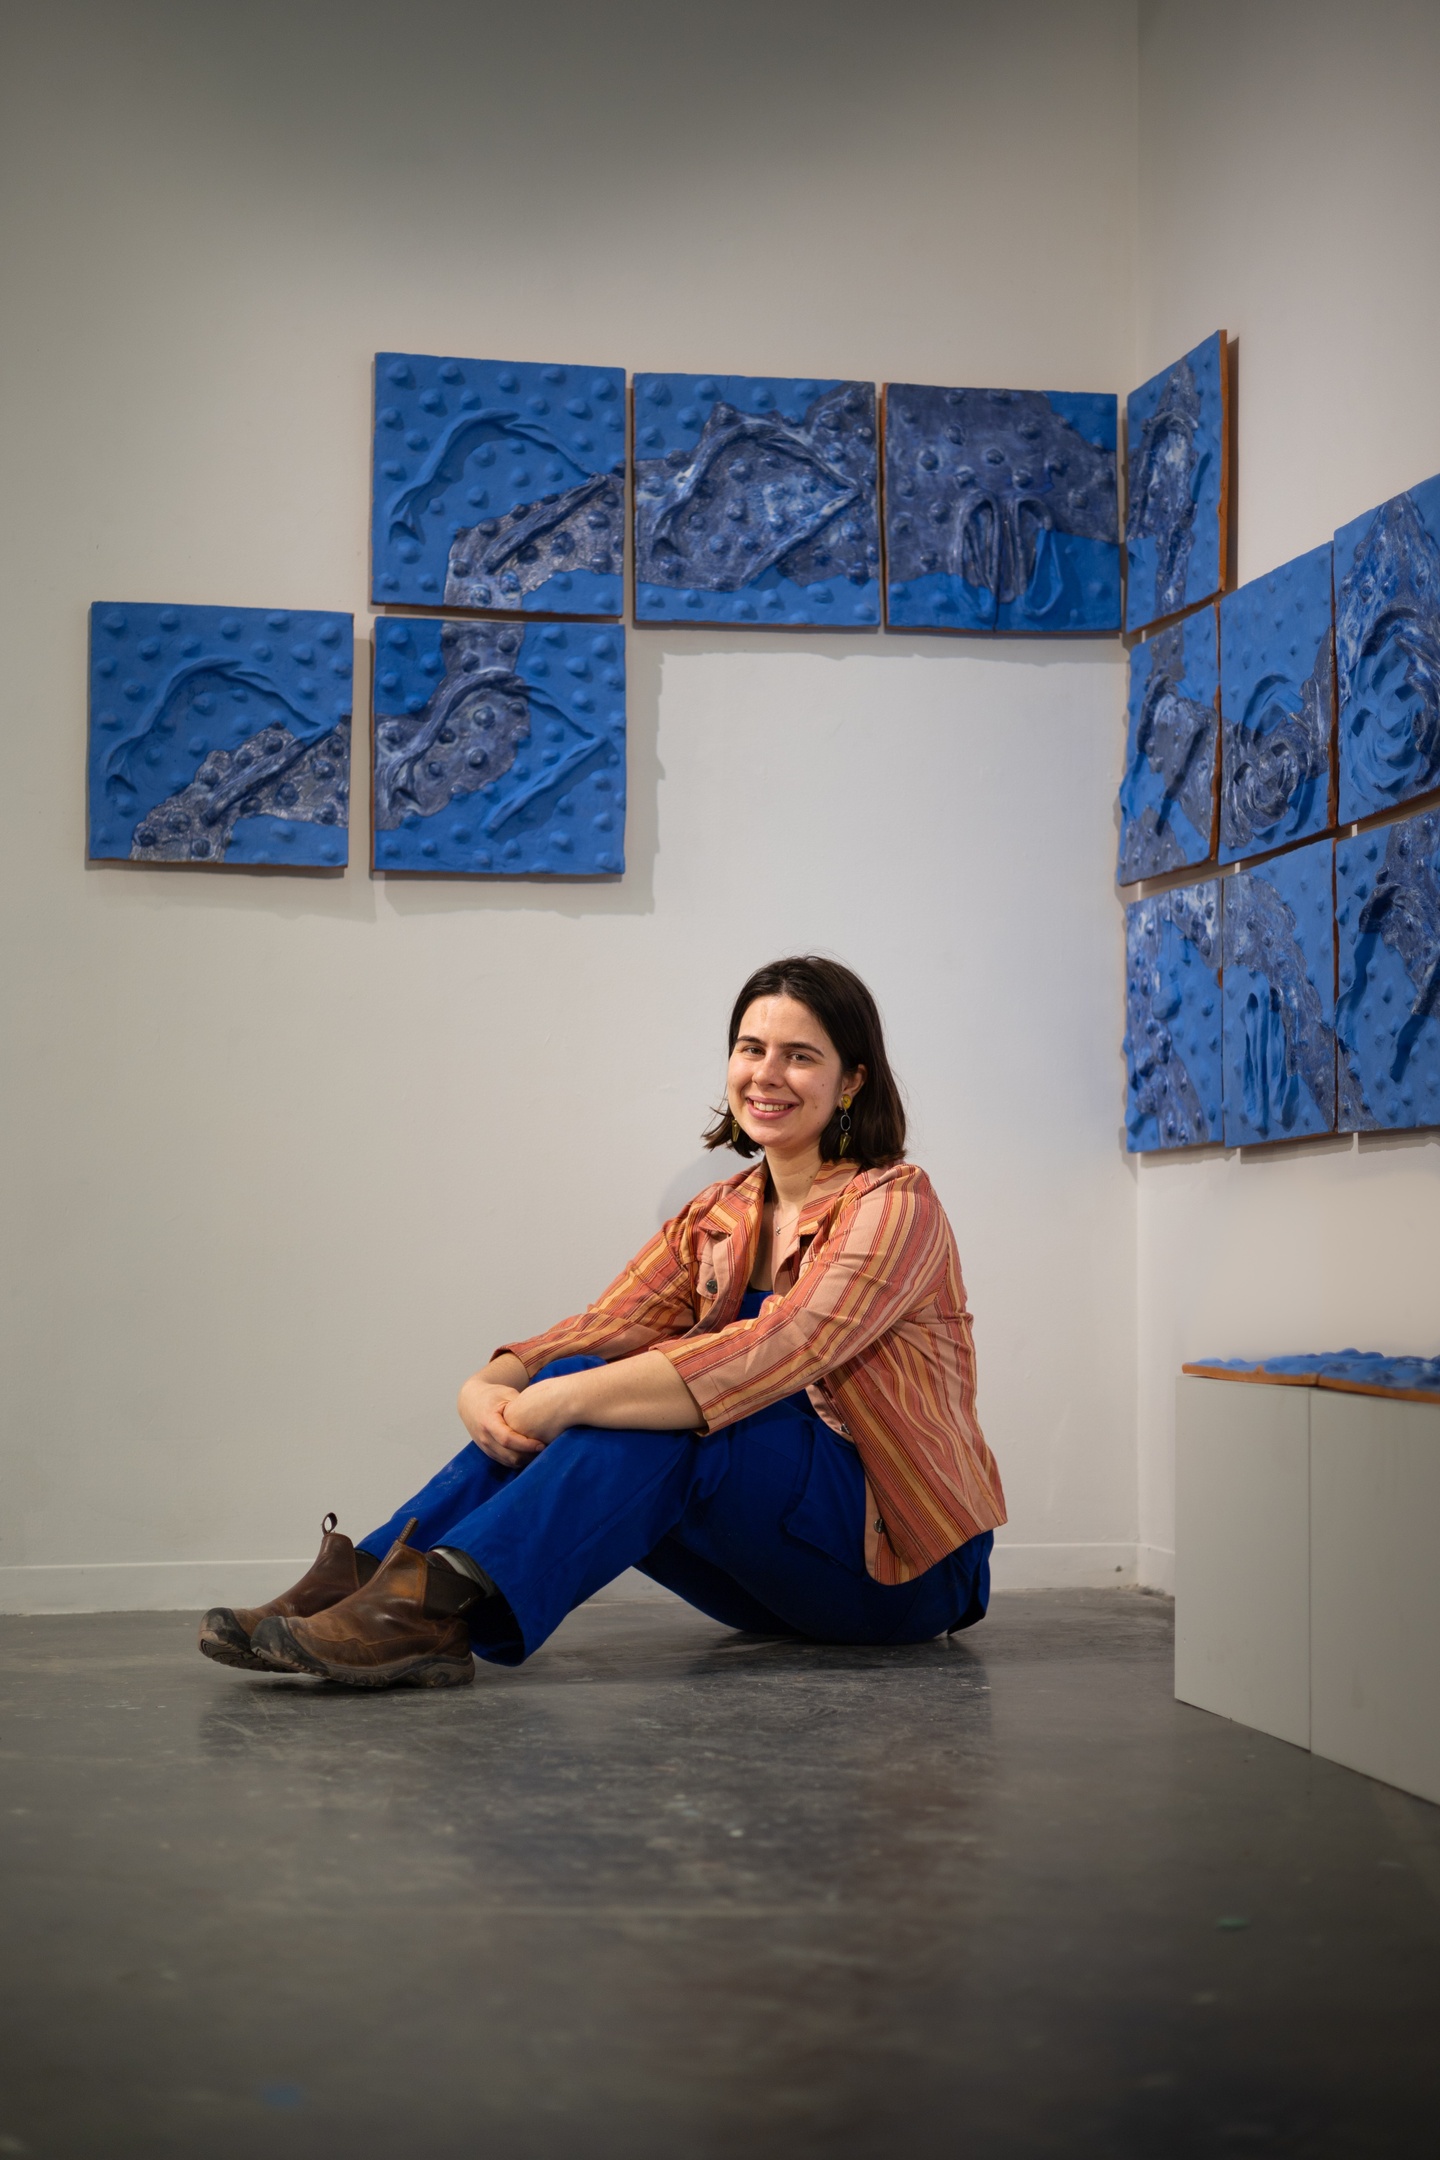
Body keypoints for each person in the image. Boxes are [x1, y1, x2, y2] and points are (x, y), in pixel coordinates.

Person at [198, 956, 1007, 1689]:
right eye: (751, 1048)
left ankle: (429, 1605)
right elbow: (605, 1324)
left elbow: (779, 1349)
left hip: (902, 1570)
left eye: (801, 1055)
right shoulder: (721, 1213)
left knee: (661, 1413)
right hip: (777, 1574)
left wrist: (565, 1401)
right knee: (582, 1381)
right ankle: (369, 1579)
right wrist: (496, 1382)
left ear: (852, 1080)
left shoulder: (896, 1205)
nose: (767, 1074)